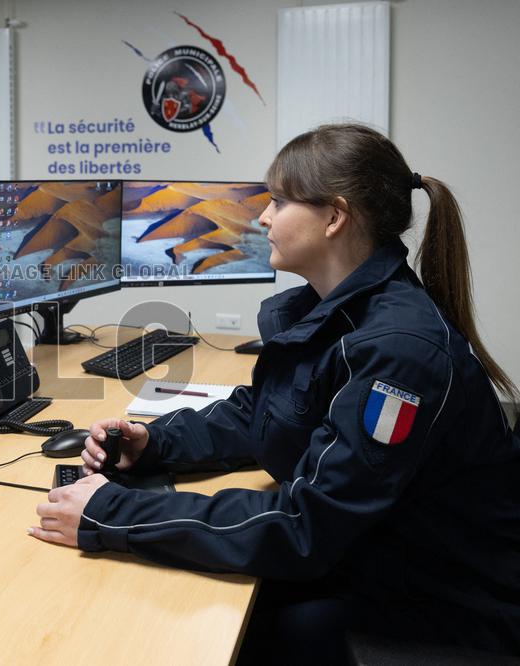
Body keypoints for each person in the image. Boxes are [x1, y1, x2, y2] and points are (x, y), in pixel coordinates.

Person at [28, 123, 520, 661]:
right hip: (375, 557)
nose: (263, 216)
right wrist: (154, 442)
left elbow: (306, 527)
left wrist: (111, 514)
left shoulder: (399, 354)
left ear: (334, 217)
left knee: (199, 628)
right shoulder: (336, 309)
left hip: (436, 606)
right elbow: (266, 413)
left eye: (280, 201)